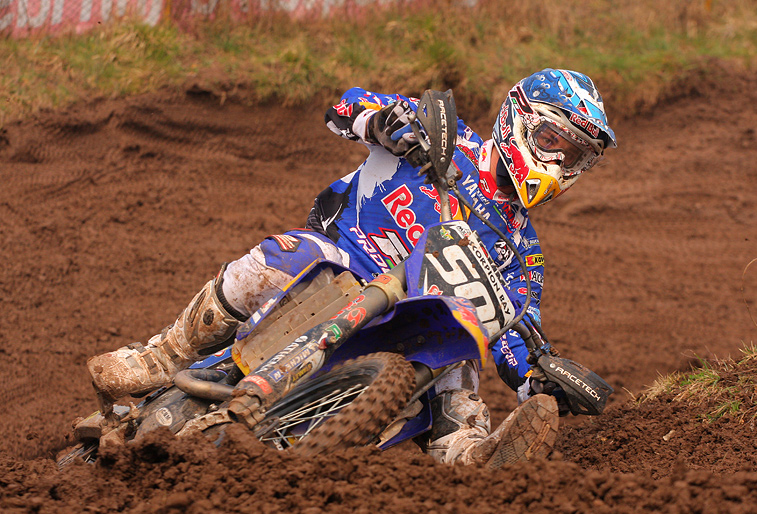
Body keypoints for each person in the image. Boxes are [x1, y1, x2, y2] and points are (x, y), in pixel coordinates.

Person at [87, 68, 617, 468]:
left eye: (573, 155)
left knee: (460, 353)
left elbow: (513, 331)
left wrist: (538, 379)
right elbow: (345, 106)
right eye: (551, 140)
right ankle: (164, 354)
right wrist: (385, 123)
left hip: (412, 327)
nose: (558, 160)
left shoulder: (523, 252)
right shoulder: (445, 136)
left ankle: (471, 455)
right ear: (519, 118)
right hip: (340, 269)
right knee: (286, 255)